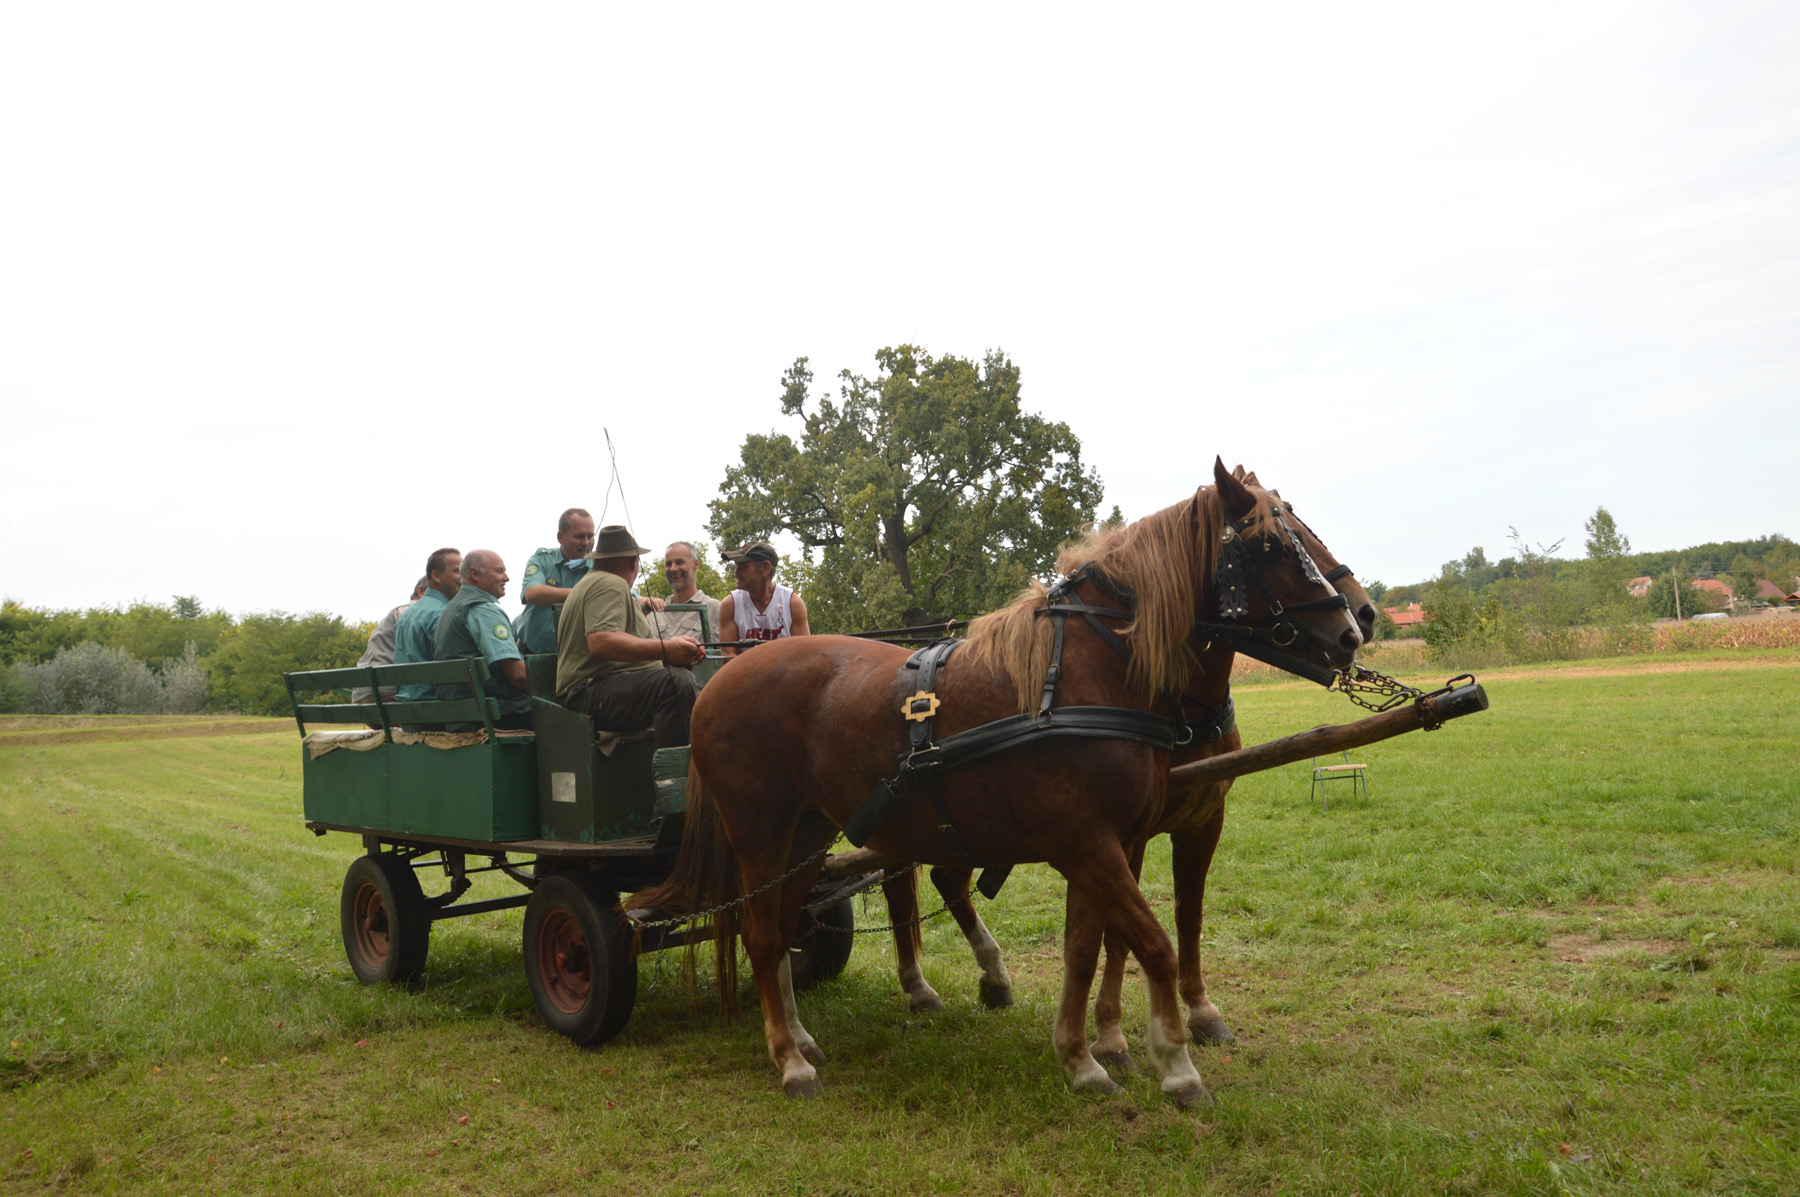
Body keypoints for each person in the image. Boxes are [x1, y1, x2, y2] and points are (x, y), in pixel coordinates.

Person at [555, 525, 704, 749]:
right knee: (677, 684)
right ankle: (675, 768)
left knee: (704, 694)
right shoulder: (610, 583)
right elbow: (600, 641)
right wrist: (668, 649)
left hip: (592, 691)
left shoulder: (590, 583)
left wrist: (671, 655)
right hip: (588, 694)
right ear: (633, 562)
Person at [433, 550, 532, 731]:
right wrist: (552, 694)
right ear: (474, 574)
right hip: (494, 716)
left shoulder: (452, 608)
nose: (507, 578)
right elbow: (518, 675)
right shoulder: (482, 609)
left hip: (461, 715)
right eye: (499, 571)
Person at [512, 508, 597, 655]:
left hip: (575, 657)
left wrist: (638, 599)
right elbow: (532, 593)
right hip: (532, 654)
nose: (586, 543)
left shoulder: (598, 568)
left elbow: (622, 590)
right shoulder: (543, 560)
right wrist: (582, 594)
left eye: (590, 536)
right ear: (560, 537)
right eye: (579, 536)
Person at [393, 548, 461, 703]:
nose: (463, 577)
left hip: (407, 707)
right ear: (436, 576)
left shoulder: (406, 615)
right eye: (457, 571)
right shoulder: (444, 615)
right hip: (439, 707)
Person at [718, 541, 810, 655]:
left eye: (743, 567)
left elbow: (803, 653)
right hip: (745, 668)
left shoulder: (792, 603)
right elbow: (727, 653)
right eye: (737, 567)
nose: (736, 574)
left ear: (765, 568)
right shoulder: (731, 604)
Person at [351, 576, 428, 706]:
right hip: (388, 690)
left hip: (365, 692)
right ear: (421, 592)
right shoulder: (411, 610)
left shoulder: (395, 613)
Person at [645, 541, 723, 645]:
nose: (673, 568)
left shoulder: (715, 608)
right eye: (668, 564)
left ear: (696, 564)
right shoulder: (654, 612)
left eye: (680, 562)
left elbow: (725, 652)